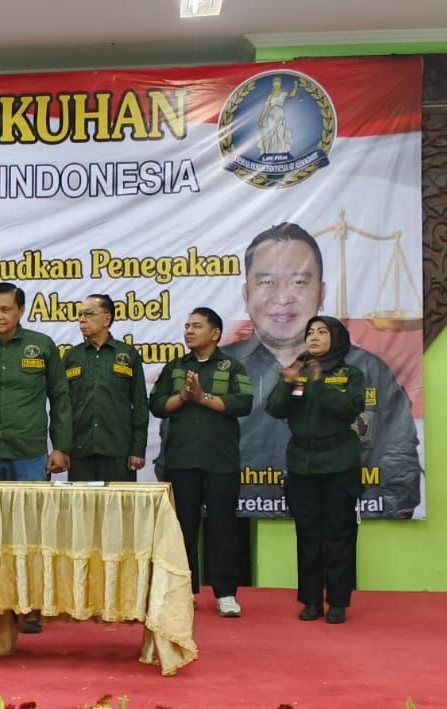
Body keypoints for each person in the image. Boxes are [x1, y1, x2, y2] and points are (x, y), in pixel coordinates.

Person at [221, 222, 422, 519]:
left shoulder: (366, 369)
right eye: (267, 282)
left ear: (322, 292)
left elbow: (399, 469)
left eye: (299, 282)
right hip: (250, 513)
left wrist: (353, 508)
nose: (283, 297)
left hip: (341, 502)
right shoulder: (223, 367)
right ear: (246, 292)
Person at [150, 307, 253, 618]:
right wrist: (184, 397)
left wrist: (202, 398)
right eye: (187, 326)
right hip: (181, 460)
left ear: (215, 333)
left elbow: (244, 402)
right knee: (182, 530)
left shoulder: (232, 366)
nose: (189, 331)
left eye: (196, 326)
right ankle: (184, 590)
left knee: (222, 528)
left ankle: (225, 594)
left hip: (220, 461)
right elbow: (157, 405)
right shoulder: (175, 367)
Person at [264, 317, 366, 624]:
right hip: (302, 465)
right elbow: (275, 409)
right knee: (307, 534)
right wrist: (288, 382)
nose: (314, 336)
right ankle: (310, 600)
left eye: (322, 331)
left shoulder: (350, 374)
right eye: (310, 332)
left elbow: (351, 408)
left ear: (337, 338)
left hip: (339, 464)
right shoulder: (299, 371)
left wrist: (319, 382)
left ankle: (337, 601)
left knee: (339, 534)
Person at [0, 282, 72, 484]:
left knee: (31, 506)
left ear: (21, 311)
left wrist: (61, 447)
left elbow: (60, 398)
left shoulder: (42, 345)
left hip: (29, 454)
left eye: (5, 310)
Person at [63, 294, 149, 483]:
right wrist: (62, 448)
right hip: (79, 450)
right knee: (81, 503)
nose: (82, 320)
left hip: (118, 450)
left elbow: (140, 404)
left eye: (89, 314)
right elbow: (62, 407)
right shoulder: (71, 356)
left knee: (118, 502)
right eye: (80, 315)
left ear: (106, 319)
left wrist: (138, 448)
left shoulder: (128, 354)